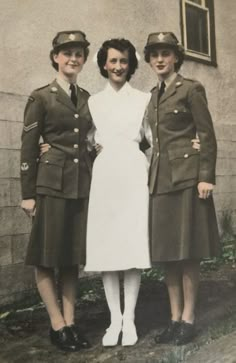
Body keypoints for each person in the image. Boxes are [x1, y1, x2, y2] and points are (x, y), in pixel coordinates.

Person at [144, 32, 220, 345]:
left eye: (165, 53)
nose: (160, 59)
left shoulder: (190, 88)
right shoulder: (152, 95)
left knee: (188, 252)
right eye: (154, 54)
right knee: (166, 254)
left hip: (189, 179)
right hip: (161, 180)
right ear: (149, 59)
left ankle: (188, 317)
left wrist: (206, 176)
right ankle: (173, 317)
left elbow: (207, 134)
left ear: (176, 57)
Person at [20, 30, 92, 352]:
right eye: (67, 53)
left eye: (78, 54)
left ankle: (71, 321)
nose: (72, 59)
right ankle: (56, 324)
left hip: (79, 185)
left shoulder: (88, 97)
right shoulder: (41, 97)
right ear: (55, 57)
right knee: (47, 258)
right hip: (50, 185)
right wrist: (28, 193)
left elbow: (93, 139)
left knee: (71, 258)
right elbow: (27, 148)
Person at [84, 38, 152, 347]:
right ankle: (114, 319)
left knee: (131, 245)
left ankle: (130, 319)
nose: (118, 67)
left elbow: (155, 137)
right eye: (112, 61)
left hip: (134, 173)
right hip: (105, 175)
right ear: (103, 64)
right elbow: (83, 140)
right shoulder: (93, 102)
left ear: (131, 64)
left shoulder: (143, 99)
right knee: (108, 248)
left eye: (123, 61)